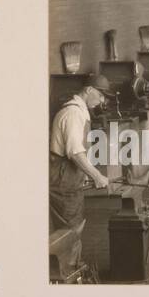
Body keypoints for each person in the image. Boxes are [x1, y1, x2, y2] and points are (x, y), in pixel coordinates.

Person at [49, 74, 113, 233]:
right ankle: (72, 258)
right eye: (100, 95)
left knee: (75, 219)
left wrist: (83, 175)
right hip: (63, 176)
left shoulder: (81, 111)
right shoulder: (73, 113)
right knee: (69, 227)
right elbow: (75, 152)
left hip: (70, 174)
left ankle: (75, 258)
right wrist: (96, 175)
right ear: (89, 89)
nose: (101, 101)